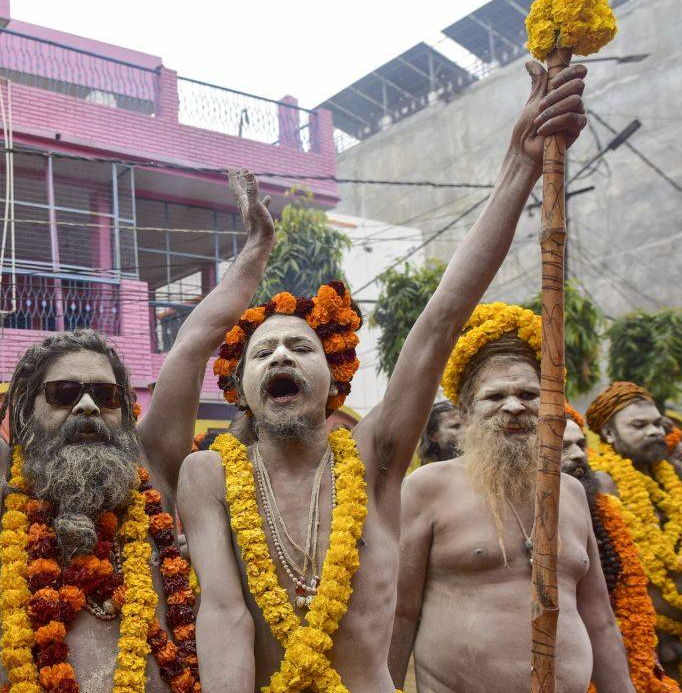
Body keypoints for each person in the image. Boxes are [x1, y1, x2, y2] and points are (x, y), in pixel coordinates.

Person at [176, 59, 591, 692]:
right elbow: (225, 614)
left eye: (300, 347)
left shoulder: (376, 456)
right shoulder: (207, 475)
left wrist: (521, 167)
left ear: (334, 377)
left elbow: (441, 319)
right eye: (263, 354)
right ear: (238, 387)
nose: (281, 356)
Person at [0, 122, 279, 690]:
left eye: (107, 395)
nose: (89, 405)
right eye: (64, 393)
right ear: (25, 413)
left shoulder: (155, 470)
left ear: (126, 414)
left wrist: (256, 250)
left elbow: (194, 341)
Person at [389, 305, 632, 692]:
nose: (515, 406)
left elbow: (599, 618)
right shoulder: (426, 488)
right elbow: (400, 614)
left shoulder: (569, 491)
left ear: (548, 405)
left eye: (529, 394)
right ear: (467, 412)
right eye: (495, 396)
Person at [586, 382, 682, 687]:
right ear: (609, 434)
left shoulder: (668, 478)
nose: (654, 432)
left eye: (656, 423)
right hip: (640, 640)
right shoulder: (602, 482)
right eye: (639, 425)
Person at [564, 407, 681, 693]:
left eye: (581, 444)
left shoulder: (604, 510)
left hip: (632, 655)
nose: (578, 455)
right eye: (562, 446)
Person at [419, 399, 461, 465]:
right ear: (433, 436)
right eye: (455, 426)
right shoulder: (427, 473)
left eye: (467, 424)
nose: (466, 430)